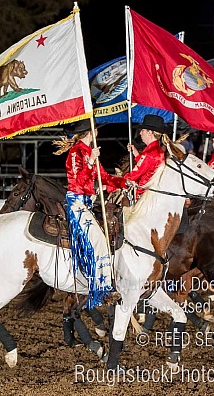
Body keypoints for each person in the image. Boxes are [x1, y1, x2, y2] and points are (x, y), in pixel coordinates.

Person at [53, 118, 126, 307]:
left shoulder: (88, 152)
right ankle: (102, 288)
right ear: (91, 132)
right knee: (98, 238)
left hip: (88, 202)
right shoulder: (76, 153)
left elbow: (105, 178)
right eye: (95, 130)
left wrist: (125, 182)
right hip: (77, 203)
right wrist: (91, 161)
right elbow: (78, 181)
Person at [124, 114, 170, 200]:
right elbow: (147, 166)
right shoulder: (158, 151)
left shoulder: (150, 153)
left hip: (144, 197)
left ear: (150, 133)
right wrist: (136, 154)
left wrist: (113, 183)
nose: (140, 133)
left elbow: (134, 175)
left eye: (143, 130)